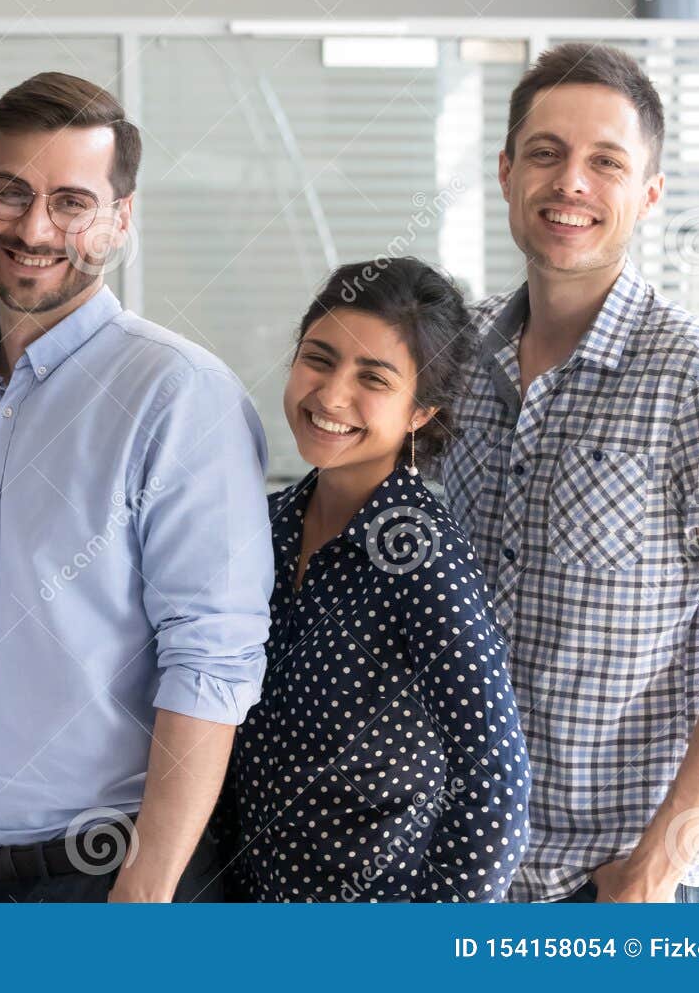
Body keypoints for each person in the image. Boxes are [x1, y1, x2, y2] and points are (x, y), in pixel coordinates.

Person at [0, 71, 273, 902]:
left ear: (119, 220)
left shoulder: (181, 395)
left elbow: (211, 659)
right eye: (13, 192)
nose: (36, 227)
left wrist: (144, 894)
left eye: (72, 201)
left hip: (118, 878)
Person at [441, 43, 699, 903]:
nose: (570, 182)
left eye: (605, 162)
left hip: (628, 883)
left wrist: (657, 867)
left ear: (648, 193)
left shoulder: (697, 372)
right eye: (546, 152)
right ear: (507, 172)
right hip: (479, 870)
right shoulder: (458, 358)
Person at [216, 257, 530, 902]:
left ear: (421, 410)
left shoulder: (423, 559)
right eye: (319, 359)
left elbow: (494, 786)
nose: (331, 396)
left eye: (374, 378)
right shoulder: (266, 524)